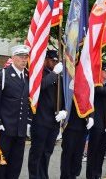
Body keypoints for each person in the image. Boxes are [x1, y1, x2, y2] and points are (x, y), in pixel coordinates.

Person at [0, 44, 32, 179]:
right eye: (20, 56)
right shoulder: (2, 74)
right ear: (13, 57)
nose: (24, 59)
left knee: (16, 163)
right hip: (5, 127)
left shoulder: (28, 76)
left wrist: (29, 121)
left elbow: (29, 100)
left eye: (25, 57)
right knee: (2, 162)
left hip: (20, 128)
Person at [28, 50, 64, 179]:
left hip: (54, 121)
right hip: (40, 120)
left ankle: (43, 176)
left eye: (56, 61)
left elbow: (63, 95)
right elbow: (40, 86)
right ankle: (34, 176)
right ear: (45, 60)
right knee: (37, 152)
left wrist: (64, 110)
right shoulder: (40, 73)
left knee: (47, 152)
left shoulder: (58, 76)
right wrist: (54, 73)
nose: (55, 63)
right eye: (53, 61)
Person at [86, 62, 106, 179]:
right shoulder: (96, 83)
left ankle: (97, 175)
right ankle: (90, 176)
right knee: (93, 152)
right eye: (105, 71)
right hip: (96, 123)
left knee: (101, 152)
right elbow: (104, 92)